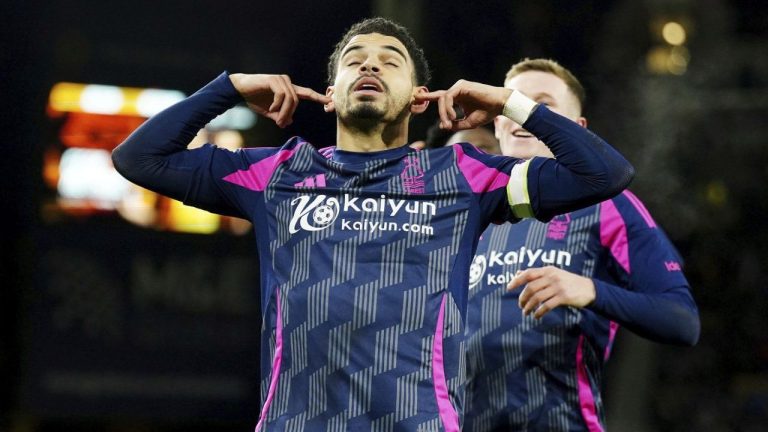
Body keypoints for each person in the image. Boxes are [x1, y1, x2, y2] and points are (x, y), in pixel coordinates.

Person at [111, 18, 634, 431]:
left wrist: (508, 102)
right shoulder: (276, 174)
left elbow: (604, 174)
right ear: (332, 93)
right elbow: (139, 160)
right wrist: (227, 90)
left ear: (419, 97)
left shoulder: (464, 176)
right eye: (354, 61)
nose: (371, 66)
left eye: (391, 62)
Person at [463, 58, 700, 431]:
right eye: (514, 103)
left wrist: (589, 289)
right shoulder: (464, 204)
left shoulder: (608, 207)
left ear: (576, 129)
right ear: (498, 120)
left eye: (541, 107)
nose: (524, 116)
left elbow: (682, 321)